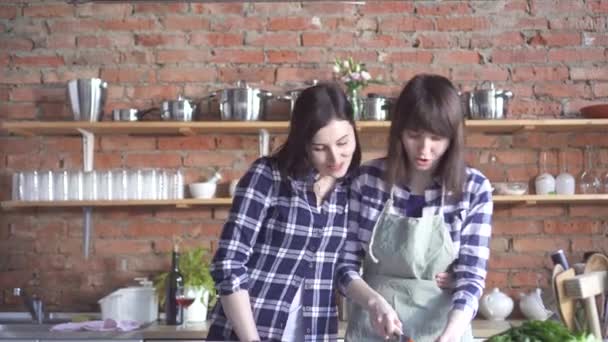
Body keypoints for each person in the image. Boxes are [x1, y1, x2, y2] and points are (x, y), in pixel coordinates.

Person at [337, 74, 493, 342]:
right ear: (399, 131)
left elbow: (471, 279)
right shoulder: (366, 181)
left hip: (443, 329)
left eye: (437, 138)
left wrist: (449, 336)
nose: (424, 149)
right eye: (414, 135)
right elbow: (342, 267)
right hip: (373, 327)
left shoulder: (474, 188)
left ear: (453, 138)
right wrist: (375, 303)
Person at [207, 82, 362, 341]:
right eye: (319, 148)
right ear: (303, 144)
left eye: (343, 142)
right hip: (250, 333)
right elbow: (229, 263)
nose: (335, 158)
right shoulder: (268, 176)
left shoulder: (350, 190)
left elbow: (343, 269)